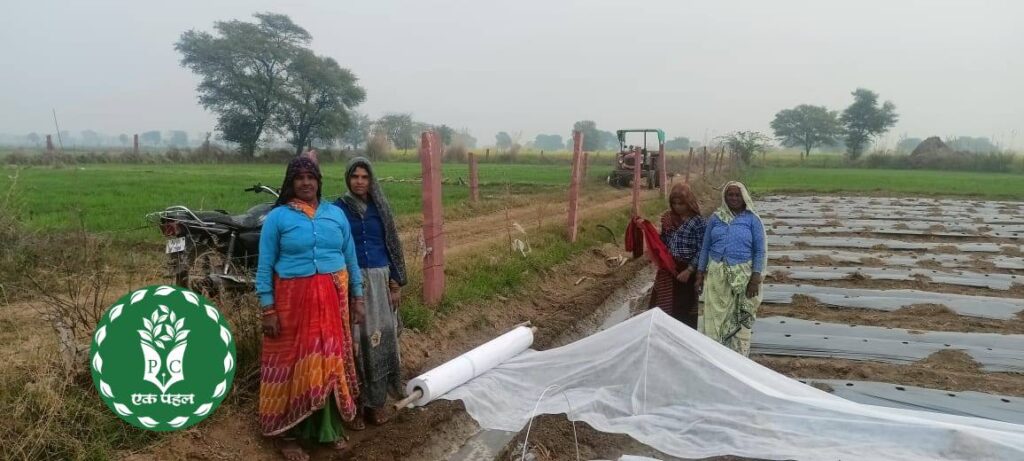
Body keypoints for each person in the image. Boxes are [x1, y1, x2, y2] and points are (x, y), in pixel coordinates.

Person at [256, 155, 365, 461]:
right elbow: (264, 267)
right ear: (291, 183)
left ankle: (326, 430)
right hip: (291, 304)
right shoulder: (278, 218)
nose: (305, 183)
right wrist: (268, 308)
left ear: (319, 181)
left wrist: (358, 297)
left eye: (310, 177)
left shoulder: (335, 215)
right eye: (299, 178)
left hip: (332, 301)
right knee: (291, 365)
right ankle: (288, 436)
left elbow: (351, 258)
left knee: (329, 363)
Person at [335, 157, 407, 428]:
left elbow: (393, 245)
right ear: (348, 179)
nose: (360, 181)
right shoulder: (338, 209)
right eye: (355, 176)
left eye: (365, 177)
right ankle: (353, 406)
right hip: (351, 281)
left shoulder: (381, 208)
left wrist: (395, 283)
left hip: (380, 280)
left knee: (380, 341)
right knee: (355, 342)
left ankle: (376, 404)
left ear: (371, 180)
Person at [696, 181, 766, 356]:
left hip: (742, 278)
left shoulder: (752, 220)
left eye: (737, 195)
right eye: (730, 195)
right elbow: (705, 247)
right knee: (714, 319)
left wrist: (755, 278)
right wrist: (699, 273)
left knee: (738, 319)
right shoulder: (716, 218)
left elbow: (760, 250)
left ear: (744, 197)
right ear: (724, 197)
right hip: (716, 277)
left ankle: (737, 358)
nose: (734, 198)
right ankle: (716, 355)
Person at [666, 184, 706, 329]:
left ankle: (686, 340)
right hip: (673, 268)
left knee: (687, 309)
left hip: (688, 270)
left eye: (681, 203)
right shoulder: (671, 219)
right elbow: (664, 241)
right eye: (674, 203)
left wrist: (690, 270)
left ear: (689, 202)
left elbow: (702, 249)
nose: (677, 207)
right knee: (671, 307)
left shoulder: (698, 222)